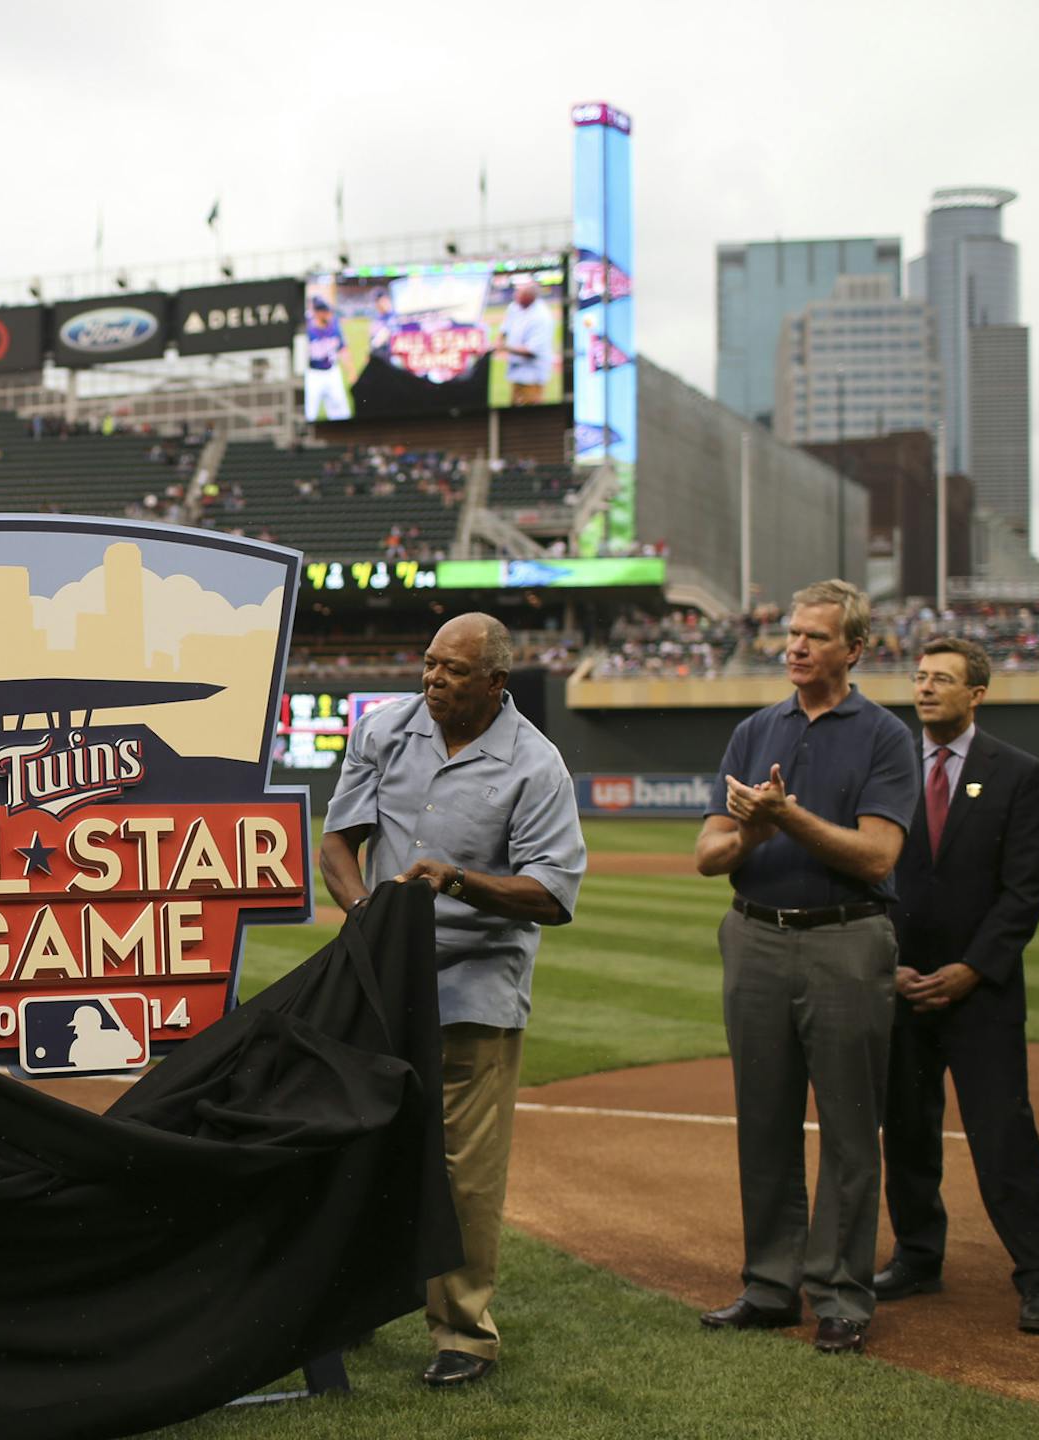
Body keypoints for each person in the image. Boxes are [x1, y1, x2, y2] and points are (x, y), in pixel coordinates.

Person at [319, 611, 586, 1388]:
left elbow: (553, 893)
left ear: (495, 683)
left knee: (463, 1170)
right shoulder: (384, 730)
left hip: (476, 989)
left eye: (452, 670)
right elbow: (338, 843)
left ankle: (463, 1335)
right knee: (362, 1142)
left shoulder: (536, 765)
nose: (432, 678)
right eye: (429, 663)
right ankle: (356, 1301)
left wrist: (457, 880)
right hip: (384, 983)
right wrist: (365, 914)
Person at [693, 578, 915, 1356]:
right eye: (791, 633)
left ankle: (842, 1293)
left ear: (854, 649)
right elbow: (707, 855)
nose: (795, 646)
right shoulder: (757, 729)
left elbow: (879, 854)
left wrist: (786, 817)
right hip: (754, 933)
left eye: (814, 637)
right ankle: (770, 1284)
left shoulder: (885, 735)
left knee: (851, 1126)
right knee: (763, 1119)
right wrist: (756, 835)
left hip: (846, 938)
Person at [877, 637, 1039, 1334]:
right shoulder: (890, 765)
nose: (925, 689)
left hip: (980, 992)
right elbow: (873, 873)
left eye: (942, 680)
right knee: (906, 1132)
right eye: (921, 677)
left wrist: (970, 970)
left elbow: (1024, 892)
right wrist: (887, 962)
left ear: (976, 695)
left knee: (1002, 1134)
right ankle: (918, 1256)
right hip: (900, 985)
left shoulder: (1017, 773)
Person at [495, 281, 556, 404]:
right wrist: (500, 339)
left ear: (529, 297)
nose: (515, 296)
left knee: (530, 414)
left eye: (519, 294)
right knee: (513, 409)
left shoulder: (542, 317)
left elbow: (531, 351)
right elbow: (505, 327)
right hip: (516, 371)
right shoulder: (515, 307)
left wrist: (504, 347)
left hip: (532, 375)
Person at [303, 295, 353, 422]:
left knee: (342, 413)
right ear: (317, 313)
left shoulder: (334, 325)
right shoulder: (306, 329)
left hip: (332, 372)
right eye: (325, 312)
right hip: (313, 374)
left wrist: (351, 372)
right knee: (309, 413)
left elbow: (343, 349)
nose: (328, 315)